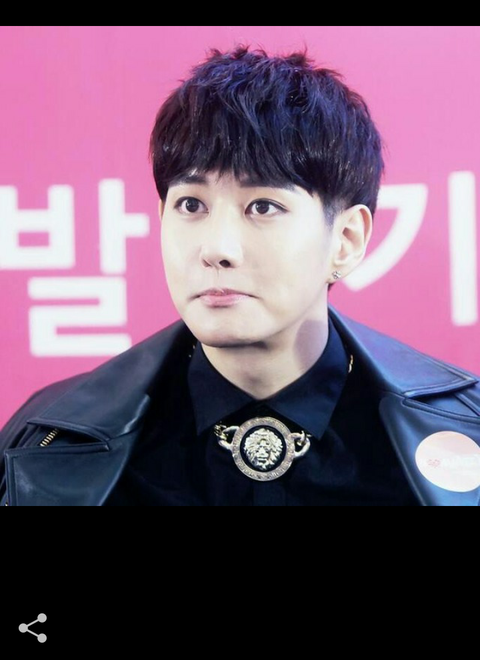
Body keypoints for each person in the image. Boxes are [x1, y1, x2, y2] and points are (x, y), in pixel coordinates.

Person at [1, 43, 479, 506]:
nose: (217, 249)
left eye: (263, 206)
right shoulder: (51, 440)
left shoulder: (462, 432)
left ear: (346, 239)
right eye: (191, 205)